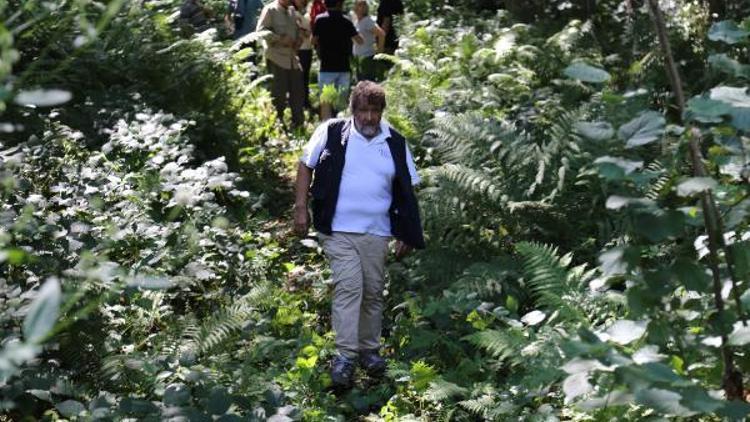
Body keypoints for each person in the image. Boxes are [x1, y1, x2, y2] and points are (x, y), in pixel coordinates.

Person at [294, 81, 425, 389]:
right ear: (352, 110)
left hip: (377, 232)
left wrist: (406, 231)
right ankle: (345, 357)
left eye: (374, 111)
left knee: (373, 291)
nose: (368, 118)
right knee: (350, 287)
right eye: (363, 111)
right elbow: (305, 165)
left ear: (382, 112)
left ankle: (369, 351)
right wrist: (301, 207)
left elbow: (408, 190)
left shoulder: (394, 142)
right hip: (337, 229)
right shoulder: (331, 132)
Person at [257, 0, 305, 129]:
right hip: (276, 57)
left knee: (298, 92)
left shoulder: (292, 11)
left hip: (292, 59)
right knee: (278, 93)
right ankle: (277, 126)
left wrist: (299, 38)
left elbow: (297, 30)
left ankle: (298, 124)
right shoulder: (270, 10)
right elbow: (261, 31)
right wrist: (279, 38)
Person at [312, 0, 363, 120]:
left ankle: (326, 128)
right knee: (341, 104)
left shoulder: (320, 20)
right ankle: (341, 129)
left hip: (326, 67)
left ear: (325, 4)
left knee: (326, 102)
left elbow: (312, 41)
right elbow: (360, 40)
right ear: (340, 4)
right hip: (343, 67)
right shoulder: (346, 21)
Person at [352, 0, 385, 82]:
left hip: (367, 57)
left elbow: (381, 34)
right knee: (360, 84)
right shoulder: (356, 21)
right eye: (359, 5)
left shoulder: (368, 21)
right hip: (358, 58)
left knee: (367, 83)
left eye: (364, 5)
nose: (362, 7)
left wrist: (380, 52)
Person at [293, 0, 313, 109]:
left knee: (305, 77)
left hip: (307, 48)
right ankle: (301, 102)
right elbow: (300, 31)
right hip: (300, 49)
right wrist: (306, 32)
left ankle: (305, 100)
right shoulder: (294, 14)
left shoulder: (304, 14)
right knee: (301, 77)